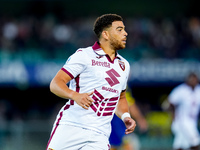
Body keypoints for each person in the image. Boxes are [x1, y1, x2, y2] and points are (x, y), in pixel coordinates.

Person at [46, 14, 136, 150]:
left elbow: (121, 97)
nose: (125, 33)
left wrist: (125, 116)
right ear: (105, 34)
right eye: (119, 29)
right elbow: (55, 84)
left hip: (100, 135)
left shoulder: (124, 65)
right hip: (71, 126)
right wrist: (75, 95)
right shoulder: (84, 55)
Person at [168, 72, 200, 150]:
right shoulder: (181, 90)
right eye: (192, 79)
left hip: (193, 121)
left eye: (195, 79)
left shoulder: (198, 90)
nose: (193, 81)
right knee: (195, 141)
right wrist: (173, 115)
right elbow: (170, 103)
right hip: (183, 121)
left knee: (181, 145)